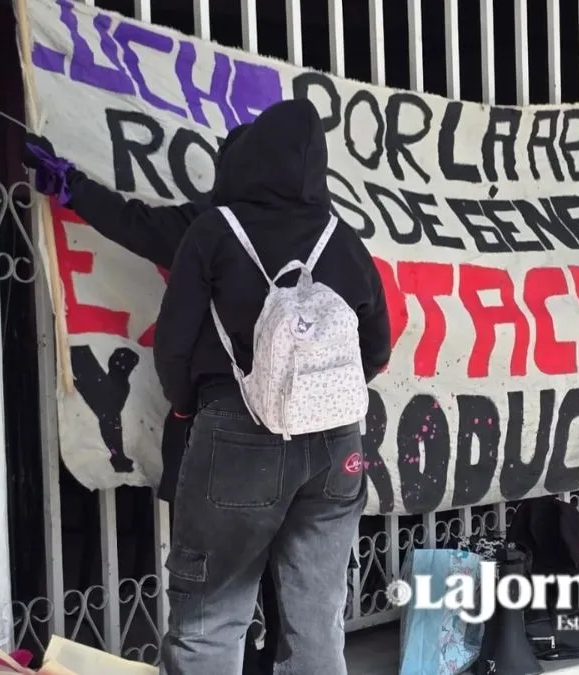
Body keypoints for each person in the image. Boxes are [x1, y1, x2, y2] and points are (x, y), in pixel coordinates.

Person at [22, 125, 289, 675]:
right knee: (288, 565)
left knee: (214, 576)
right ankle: (270, 658)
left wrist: (72, 186)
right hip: (303, 432)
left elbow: (136, 226)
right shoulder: (317, 230)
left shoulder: (209, 226)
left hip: (222, 426)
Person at [153, 99, 392, 674]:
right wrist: (318, 395)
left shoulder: (215, 230)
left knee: (212, 619)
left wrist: (186, 406)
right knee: (316, 617)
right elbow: (377, 345)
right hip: (337, 443)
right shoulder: (341, 237)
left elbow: (174, 345)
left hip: (238, 435)